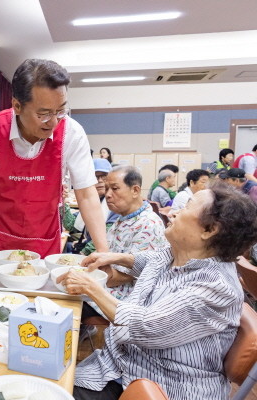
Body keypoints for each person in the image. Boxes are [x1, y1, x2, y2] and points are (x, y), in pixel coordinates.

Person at [59, 185, 257, 400]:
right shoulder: (178, 254)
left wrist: (90, 287)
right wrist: (117, 257)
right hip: (121, 362)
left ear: (209, 230)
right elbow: (152, 260)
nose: (173, 212)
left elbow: (145, 326)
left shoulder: (216, 287)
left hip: (163, 384)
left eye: (186, 208)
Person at [0, 59, 108, 259]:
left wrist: (102, 251)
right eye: (44, 114)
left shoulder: (72, 133)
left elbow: (87, 195)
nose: (54, 122)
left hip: (43, 241)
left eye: (60, 111)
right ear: (17, 106)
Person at [86, 165, 167, 318]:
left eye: (115, 188)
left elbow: (132, 276)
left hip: (124, 300)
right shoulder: (123, 218)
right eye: (107, 189)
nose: (108, 195)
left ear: (135, 190)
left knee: (68, 300)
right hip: (107, 285)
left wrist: (93, 277)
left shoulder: (148, 224)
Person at [65, 158, 119, 255]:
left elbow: (105, 237)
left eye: (104, 176)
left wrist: (81, 255)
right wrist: (63, 201)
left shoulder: (114, 204)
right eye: (95, 176)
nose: (100, 180)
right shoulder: (93, 201)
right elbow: (70, 224)